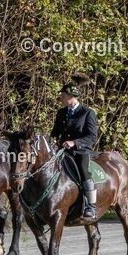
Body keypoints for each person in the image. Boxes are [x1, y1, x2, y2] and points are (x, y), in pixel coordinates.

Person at [51, 81, 100, 219]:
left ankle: (91, 206)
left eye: (62, 95)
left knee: (84, 170)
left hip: (81, 151)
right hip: (62, 150)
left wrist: (75, 142)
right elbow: (55, 132)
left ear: (70, 96)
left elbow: (92, 136)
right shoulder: (61, 113)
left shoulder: (87, 113)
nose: (60, 97)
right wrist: (53, 140)